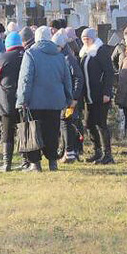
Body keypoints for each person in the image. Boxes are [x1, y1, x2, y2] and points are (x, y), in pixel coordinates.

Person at [16, 26, 72, 171]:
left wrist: (22, 99)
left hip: (35, 100)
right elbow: (67, 78)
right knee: (52, 131)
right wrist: (68, 97)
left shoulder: (30, 54)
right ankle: (52, 162)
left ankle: (35, 163)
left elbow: (26, 79)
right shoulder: (59, 55)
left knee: (34, 131)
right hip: (55, 100)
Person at [79, 28, 115, 165]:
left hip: (100, 95)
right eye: (83, 38)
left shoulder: (100, 51)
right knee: (88, 124)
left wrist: (107, 92)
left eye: (87, 38)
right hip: (89, 96)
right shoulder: (85, 53)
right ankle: (97, 151)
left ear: (93, 38)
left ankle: (108, 155)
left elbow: (109, 72)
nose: (85, 40)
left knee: (101, 124)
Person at [0, 32, 25, 171]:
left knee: (7, 132)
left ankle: (7, 163)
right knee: (24, 131)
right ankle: (26, 160)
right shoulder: (27, 55)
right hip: (25, 101)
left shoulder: (3, 58)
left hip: (7, 100)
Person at [55, 32, 83, 162]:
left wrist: (74, 97)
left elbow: (78, 77)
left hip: (69, 98)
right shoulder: (62, 56)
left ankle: (70, 152)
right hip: (65, 96)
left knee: (66, 122)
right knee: (66, 123)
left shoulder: (68, 58)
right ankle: (70, 151)